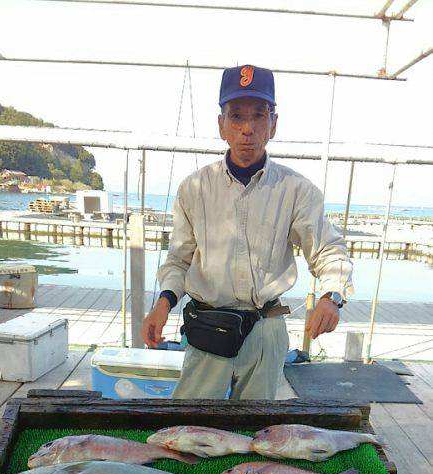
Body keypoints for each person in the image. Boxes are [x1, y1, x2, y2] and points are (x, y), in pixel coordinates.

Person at [142, 65, 353, 400]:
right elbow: (179, 260)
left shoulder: (297, 190)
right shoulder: (194, 188)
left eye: (259, 115)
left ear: (274, 124)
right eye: (236, 116)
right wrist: (163, 303)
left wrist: (332, 297)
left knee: (257, 430)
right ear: (221, 125)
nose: (247, 129)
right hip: (208, 328)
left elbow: (328, 250)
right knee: (189, 426)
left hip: (265, 329)